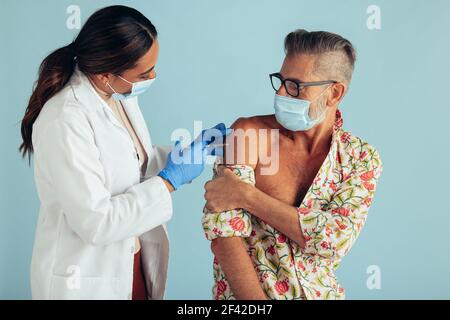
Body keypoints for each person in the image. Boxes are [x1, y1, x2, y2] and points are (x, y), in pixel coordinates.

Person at [19, 5, 229, 300]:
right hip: (88, 277)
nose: (153, 76)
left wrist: (182, 155)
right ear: (106, 74)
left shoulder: (118, 94)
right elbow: (97, 223)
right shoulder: (64, 119)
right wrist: (169, 180)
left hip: (131, 262)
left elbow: (128, 162)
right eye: (145, 73)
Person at [202, 29, 383, 300]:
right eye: (281, 80)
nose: (283, 93)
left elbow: (332, 241)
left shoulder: (361, 158)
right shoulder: (250, 133)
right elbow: (223, 233)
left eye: (296, 86)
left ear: (334, 93)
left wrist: (247, 195)